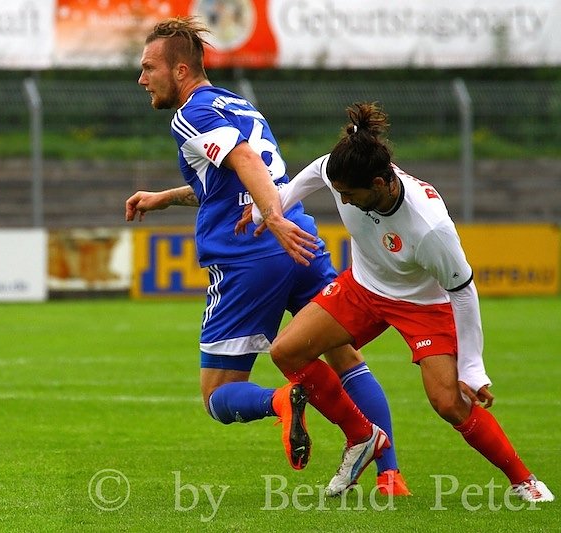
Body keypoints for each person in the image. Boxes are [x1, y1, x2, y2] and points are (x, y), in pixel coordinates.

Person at [125, 16, 409, 495]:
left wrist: (270, 218)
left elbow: (245, 163)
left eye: (149, 67)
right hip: (300, 237)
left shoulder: (188, 114)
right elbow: (231, 179)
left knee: (217, 395)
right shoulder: (237, 103)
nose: (141, 78)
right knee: (345, 357)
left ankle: (282, 400)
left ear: (179, 72)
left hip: (252, 250)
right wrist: (168, 197)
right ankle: (390, 475)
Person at [238, 101, 555, 502]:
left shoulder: (429, 228)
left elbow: (463, 292)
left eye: (351, 195)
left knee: (448, 402)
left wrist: (473, 367)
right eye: (340, 194)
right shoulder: (344, 173)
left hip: (424, 305)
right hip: (363, 288)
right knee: (286, 352)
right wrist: (273, 208)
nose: (345, 202)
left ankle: (524, 481)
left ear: (381, 183)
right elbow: (317, 173)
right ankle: (362, 437)